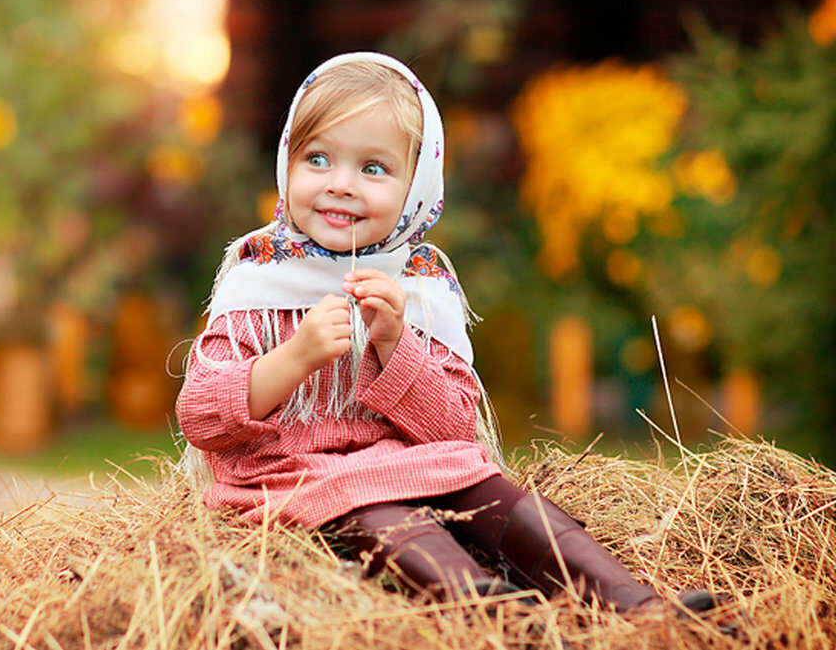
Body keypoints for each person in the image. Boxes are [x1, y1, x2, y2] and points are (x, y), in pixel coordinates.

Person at [175, 51, 719, 614]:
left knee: (486, 485)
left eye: (373, 168)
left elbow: (454, 427)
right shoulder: (259, 276)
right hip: (288, 476)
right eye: (317, 158)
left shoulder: (420, 285)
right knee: (375, 501)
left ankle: (632, 602)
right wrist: (294, 358)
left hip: (405, 462)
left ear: (417, 188)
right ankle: (481, 607)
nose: (340, 185)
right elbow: (200, 415)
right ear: (286, 162)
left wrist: (395, 343)